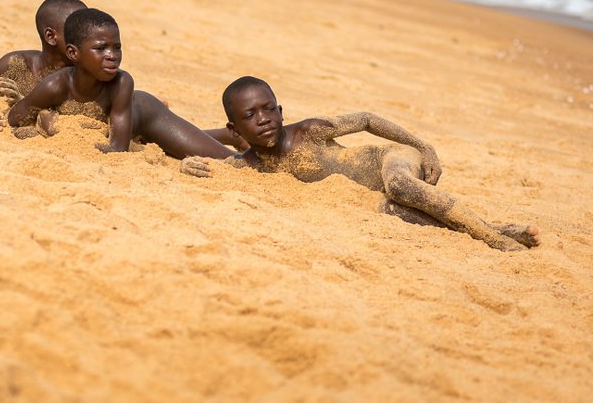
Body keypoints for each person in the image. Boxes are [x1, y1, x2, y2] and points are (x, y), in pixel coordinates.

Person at [181, 76, 541, 251]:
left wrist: (422, 146)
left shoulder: (309, 132)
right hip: (381, 195)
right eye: (250, 115)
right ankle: (499, 227)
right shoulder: (252, 165)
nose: (263, 119)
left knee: (399, 188)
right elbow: (216, 168)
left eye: (269, 109)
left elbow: (366, 119)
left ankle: (493, 239)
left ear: (281, 110)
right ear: (234, 128)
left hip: (392, 161)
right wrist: (187, 166)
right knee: (393, 210)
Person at [7, 8, 233, 159]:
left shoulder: (122, 82)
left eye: (117, 47)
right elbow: (15, 118)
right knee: (178, 142)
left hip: (145, 115)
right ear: (73, 53)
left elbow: (118, 148)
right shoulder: (55, 86)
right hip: (133, 131)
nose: (111, 55)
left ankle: (229, 138)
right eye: (100, 48)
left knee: (226, 160)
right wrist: (39, 124)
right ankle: (225, 135)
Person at [0, 0, 87, 134]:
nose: (88, 36)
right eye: (77, 31)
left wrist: (25, 107)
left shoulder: (90, 73)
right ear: (51, 37)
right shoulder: (18, 64)